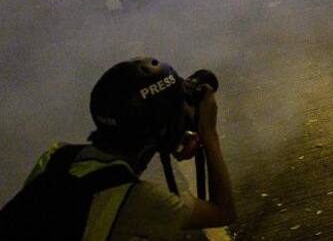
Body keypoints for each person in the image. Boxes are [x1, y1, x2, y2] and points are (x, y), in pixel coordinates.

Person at [0, 57, 236, 239]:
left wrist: (165, 139)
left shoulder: (58, 155)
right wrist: (209, 133)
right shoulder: (139, 201)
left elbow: (95, 191)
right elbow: (223, 212)